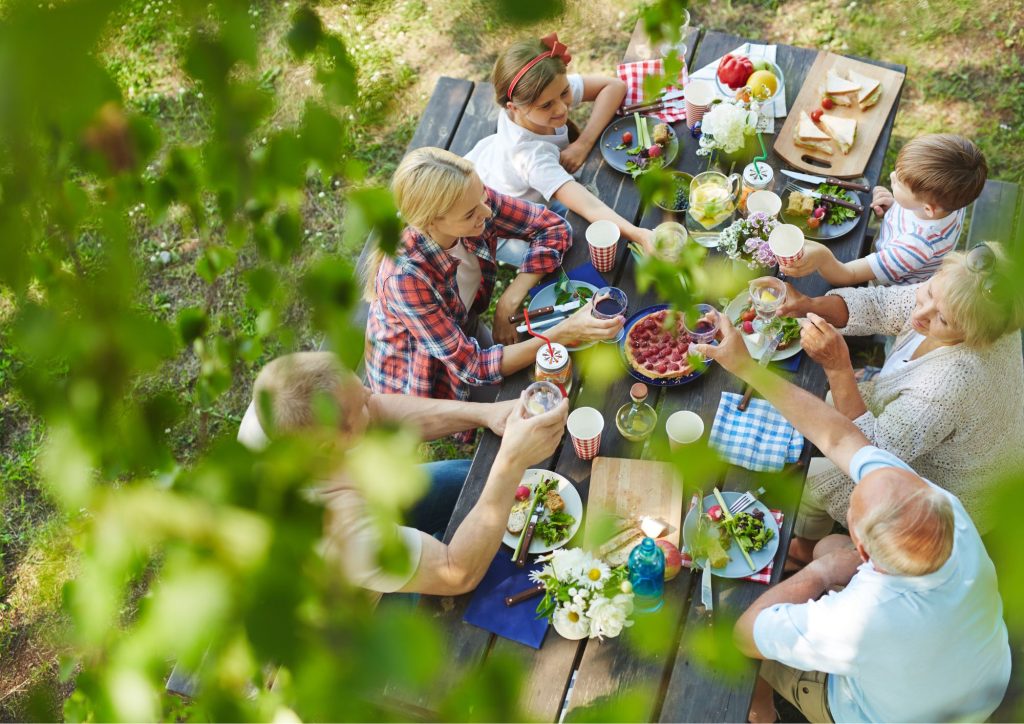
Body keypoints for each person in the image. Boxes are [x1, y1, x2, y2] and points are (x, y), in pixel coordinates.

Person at [692, 317, 1012, 724]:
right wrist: (746, 367)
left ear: (864, 550)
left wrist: (824, 572)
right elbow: (842, 439)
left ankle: (762, 713)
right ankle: (805, 558)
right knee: (826, 546)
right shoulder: (944, 509)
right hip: (978, 677)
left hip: (876, 711)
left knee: (723, 636)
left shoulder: (859, 620)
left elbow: (748, 632)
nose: (870, 473)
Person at [238, 351, 568, 599]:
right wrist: (509, 462)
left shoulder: (282, 406)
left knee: (472, 480)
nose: (371, 395)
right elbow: (456, 573)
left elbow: (378, 410)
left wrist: (487, 414)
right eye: (361, 406)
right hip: (354, 598)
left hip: (370, 503)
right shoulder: (335, 531)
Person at [775, 244, 1024, 564]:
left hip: (942, 496)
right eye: (930, 292)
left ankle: (803, 552)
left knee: (810, 479)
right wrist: (810, 304)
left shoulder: (948, 385)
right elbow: (880, 305)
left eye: (942, 320)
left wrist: (839, 368)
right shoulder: (968, 300)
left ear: (973, 335)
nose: (920, 314)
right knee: (810, 409)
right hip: (920, 433)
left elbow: (872, 454)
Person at [364, 148, 623, 410]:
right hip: (421, 374)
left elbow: (553, 227)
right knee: (528, 406)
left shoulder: (469, 199)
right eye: (470, 214)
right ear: (430, 222)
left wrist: (509, 299)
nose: (487, 213)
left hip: (465, 325)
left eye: (483, 197)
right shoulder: (404, 279)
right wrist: (565, 332)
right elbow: (474, 366)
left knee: (539, 387)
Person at [465, 33, 654, 259]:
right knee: (563, 256)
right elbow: (590, 207)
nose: (562, 109)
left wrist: (583, 144)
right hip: (500, 227)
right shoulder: (530, 157)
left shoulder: (545, 92)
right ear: (513, 107)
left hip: (493, 168)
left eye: (565, 92)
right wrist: (640, 235)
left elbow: (614, 86)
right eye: (547, 106)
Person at [780, 134, 987, 286]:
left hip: (890, 283)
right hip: (893, 249)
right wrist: (895, 205)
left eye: (898, 183)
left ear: (928, 208)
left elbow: (848, 275)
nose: (891, 176)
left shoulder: (914, 248)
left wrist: (824, 257)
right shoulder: (951, 200)